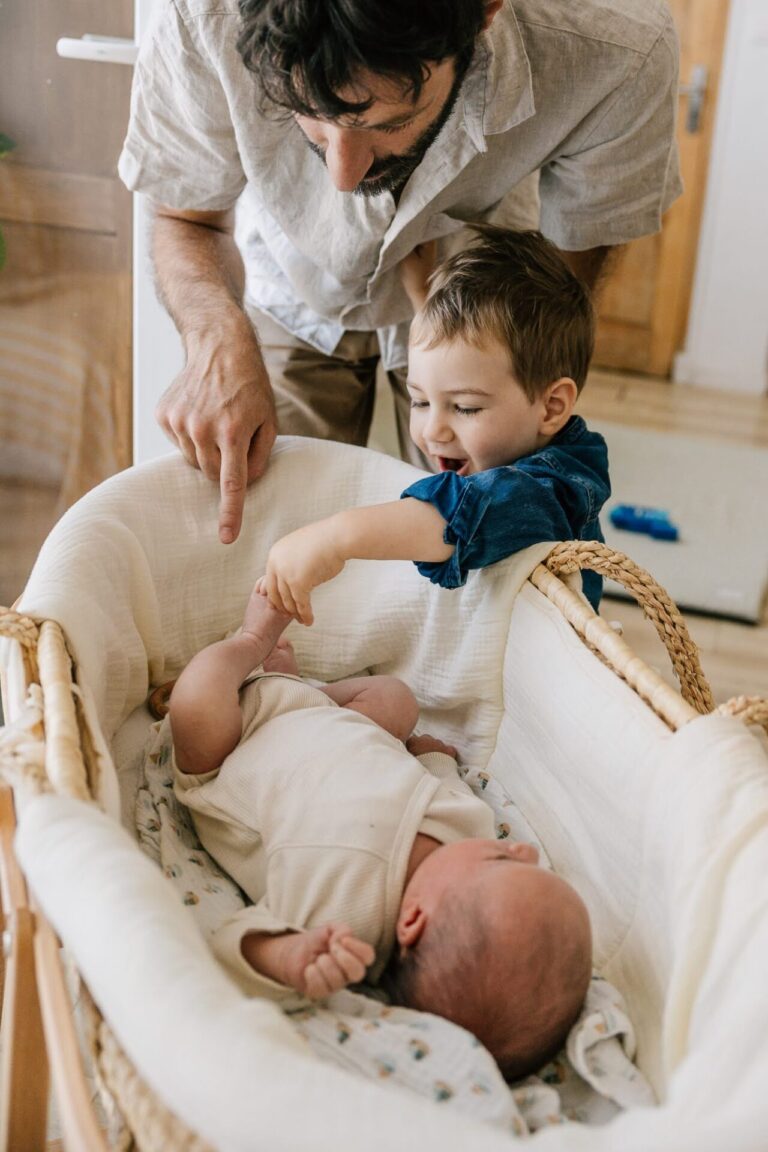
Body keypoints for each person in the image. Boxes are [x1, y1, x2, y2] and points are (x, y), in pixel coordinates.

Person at [119, 0, 680, 544]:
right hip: (292, 286)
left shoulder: (618, 43)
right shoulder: (202, 14)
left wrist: (478, 365)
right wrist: (216, 341)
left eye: (389, 122)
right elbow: (184, 215)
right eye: (309, 120)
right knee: (266, 519)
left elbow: (563, 291)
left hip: (480, 294)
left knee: (489, 537)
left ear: (484, 12)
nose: (342, 177)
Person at [167, 586, 593, 1080]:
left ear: (413, 920)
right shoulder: (468, 829)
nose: (520, 848)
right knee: (397, 701)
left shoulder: (344, 908)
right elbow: (442, 784)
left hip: (229, 749)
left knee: (195, 704)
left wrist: (287, 957)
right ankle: (288, 682)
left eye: (502, 862)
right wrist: (434, 757)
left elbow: (229, 944)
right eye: (526, 859)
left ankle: (251, 641)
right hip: (323, 715)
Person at [257, 226, 610, 619]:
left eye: (465, 408)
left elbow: (461, 512)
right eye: (420, 400)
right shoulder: (496, 438)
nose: (432, 431)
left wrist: (336, 537)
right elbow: (459, 366)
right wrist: (421, 299)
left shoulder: (557, 488)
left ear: (551, 407)